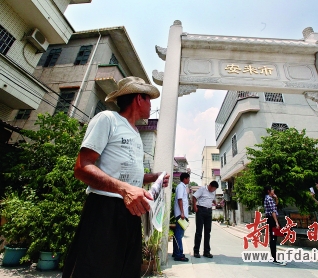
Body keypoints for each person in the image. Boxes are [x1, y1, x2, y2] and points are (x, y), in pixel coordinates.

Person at [62, 76, 170, 278]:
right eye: (149, 99)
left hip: (131, 212)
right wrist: (123, 189)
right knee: (95, 269)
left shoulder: (136, 132)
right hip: (104, 210)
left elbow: (126, 176)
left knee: (126, 270)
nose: (150, 105)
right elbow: (82, 167)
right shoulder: (108, 119)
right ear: (139, 98)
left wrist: (151, 178)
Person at [192, 181, 219, 258]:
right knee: (199, 232)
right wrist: (195, 207)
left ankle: (206, 252)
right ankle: (196, 251)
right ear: (210, 186)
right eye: (213, 189)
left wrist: (215, 202)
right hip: (200, 210)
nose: (213, 190)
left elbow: (213, 199)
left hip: (209, 212)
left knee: (208, 232)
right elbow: (194, 197)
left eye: (214, 190)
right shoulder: (202, 189)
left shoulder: (213, 192)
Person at [264, 186, 286, 266]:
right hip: (271, 219)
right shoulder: (269, 199)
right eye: (272, 189)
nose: (274, 191)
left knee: (274, 237)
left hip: (271, 219)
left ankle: (274, 257)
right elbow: (273, 211)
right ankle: (275, 259)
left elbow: (275, 205)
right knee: (273, 238)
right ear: (269, 191)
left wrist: (276, 198)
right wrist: (276, 222)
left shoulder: (270, 198)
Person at [172, 172, 190, 262]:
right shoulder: (180, 187)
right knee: (179, 235)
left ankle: (176, 253)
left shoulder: (183, 187)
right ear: (185, 179)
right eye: (188, 178)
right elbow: (180, 199)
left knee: (178, 235)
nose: (189, 180)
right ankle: (179, 254)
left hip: (182, 215)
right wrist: (182, 213)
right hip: (180, 215)